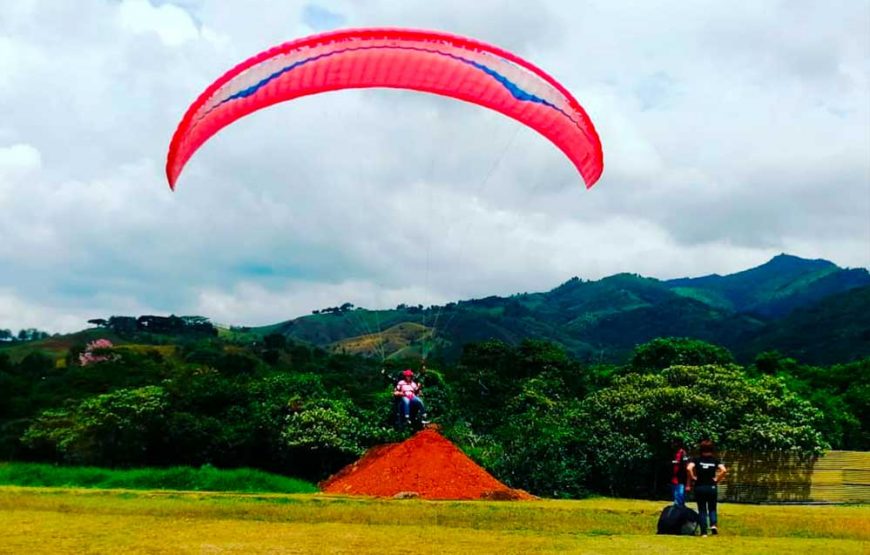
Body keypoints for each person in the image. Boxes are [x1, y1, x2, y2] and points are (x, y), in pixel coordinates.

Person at [687, 439, 727, 537]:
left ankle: (704, 532)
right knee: (712, 508)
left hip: (700, 486)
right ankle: (713, 525)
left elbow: (688, 468)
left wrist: (692, 477)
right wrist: (717, 479)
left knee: (702, 509)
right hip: (711, 487)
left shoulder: (696, 460)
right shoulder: (715, 460)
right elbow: (724, 470)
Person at [670, 439, 689, 506]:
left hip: (681, 479)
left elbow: (685, 465)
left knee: (680, 496)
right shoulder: (674, 453)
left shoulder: (683, 453)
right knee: (676, 495)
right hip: (674, 478)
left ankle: (680, 509)